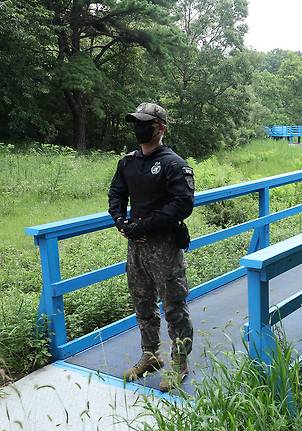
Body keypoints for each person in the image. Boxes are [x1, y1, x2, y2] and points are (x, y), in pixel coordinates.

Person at [108, 102, 195, 392]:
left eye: (145, 122)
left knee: (174, 306)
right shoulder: (128, 162)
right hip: (136, 248)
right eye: (136, 122)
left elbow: (182, 204)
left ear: (161, 128)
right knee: (142, 303)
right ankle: (150, 355)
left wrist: (144, 225)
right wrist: (122, 222)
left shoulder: (174, 164)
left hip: (164, 245)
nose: (139, 128)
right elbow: (116, 194)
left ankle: (179, 364)